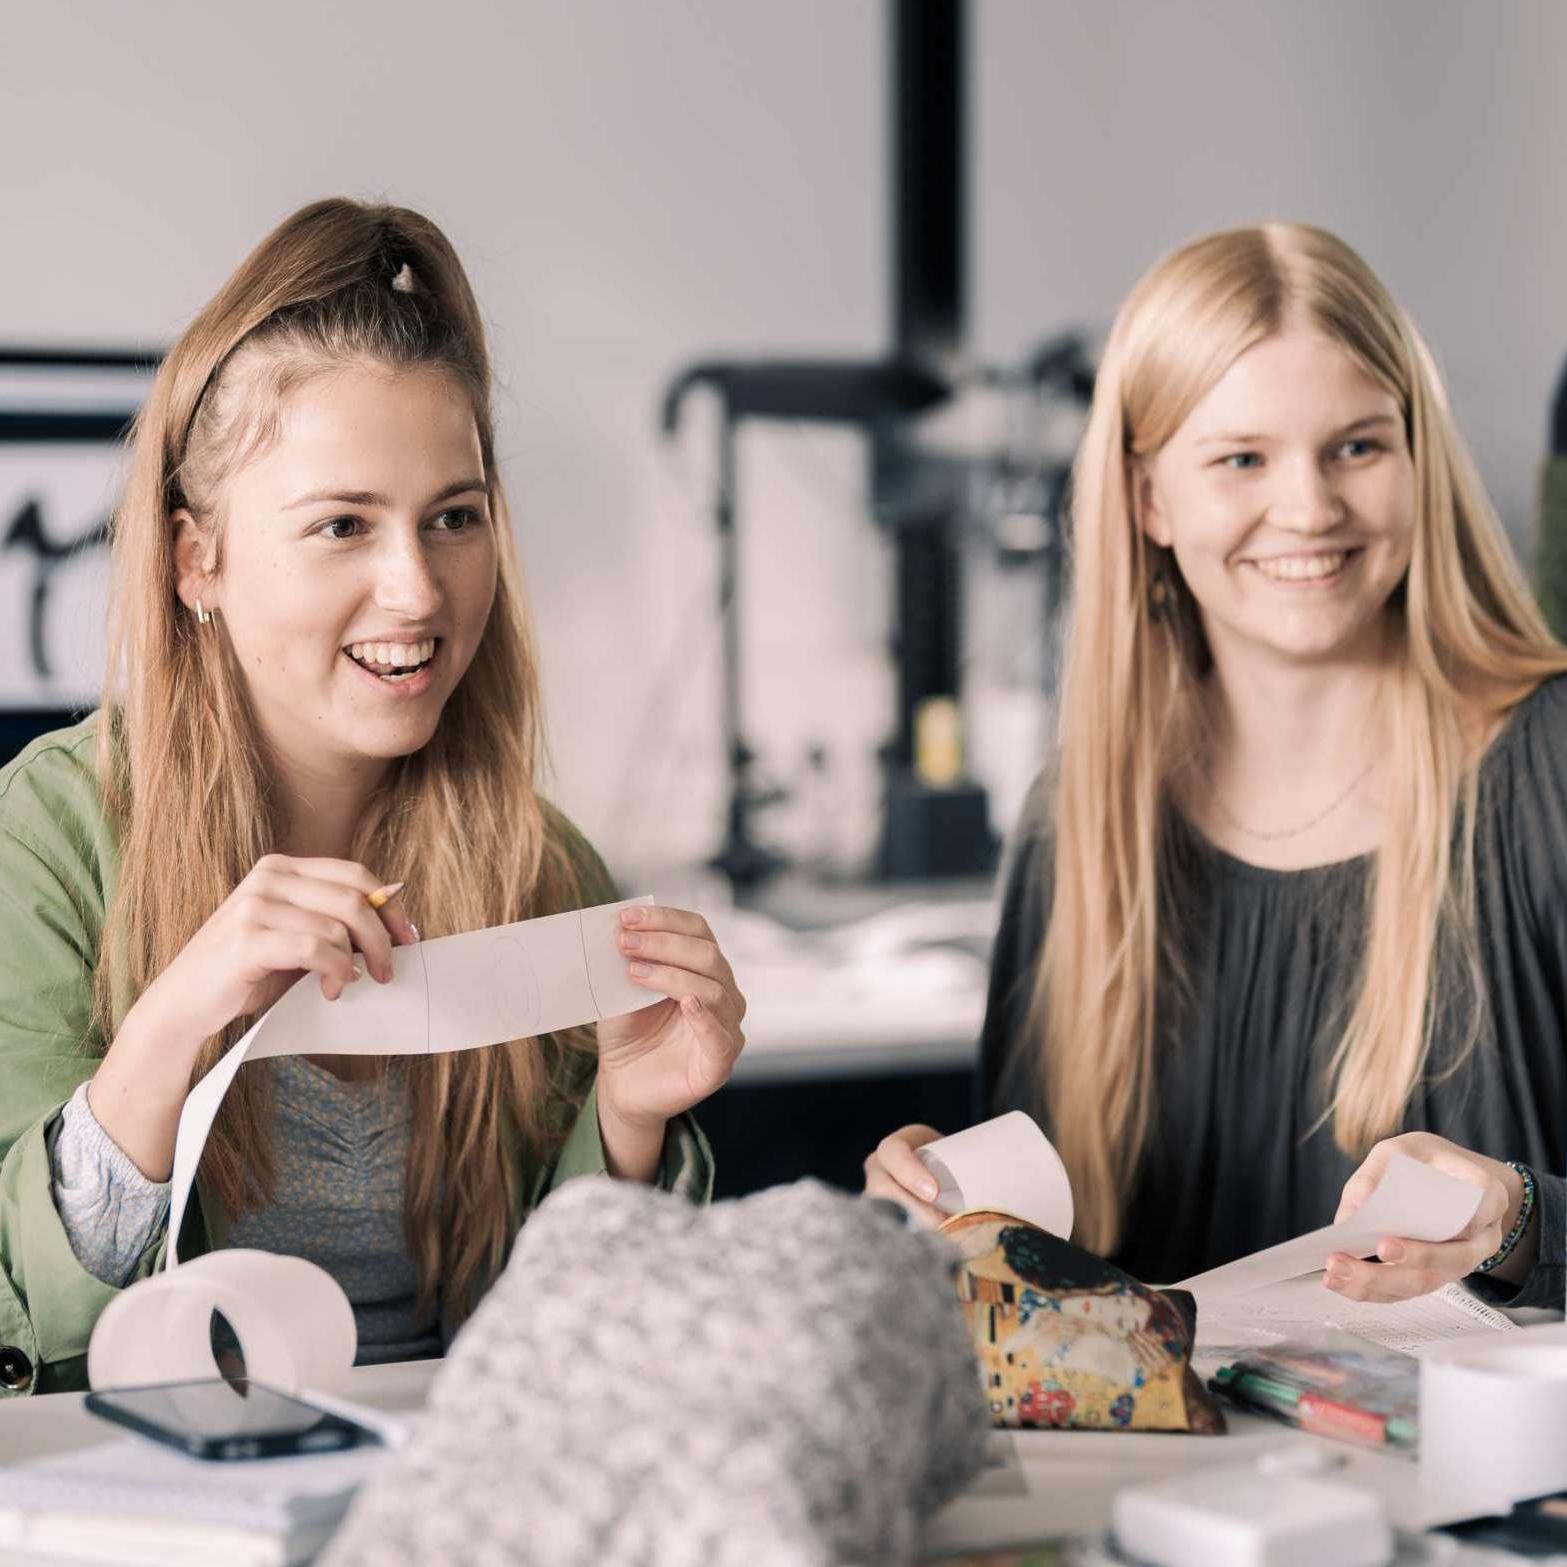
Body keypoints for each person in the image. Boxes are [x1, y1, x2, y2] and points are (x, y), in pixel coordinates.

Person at [0, 199, 748, 1397]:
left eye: (453, 519)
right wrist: (173, 1023)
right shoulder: (44, 842)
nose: (416, 590)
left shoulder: (544, 868)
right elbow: (20, 1317)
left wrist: (625, 1127)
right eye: (342, 524)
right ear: (199, 560)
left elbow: (574, 1363)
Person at [866, 222, 1565, 1312]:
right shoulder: (1080, 817)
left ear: (1418, 458)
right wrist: (945, 1214)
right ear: (1149, 500)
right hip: (1161, 1482)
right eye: (1241, 457)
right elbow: (1046, 1298)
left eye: (1358, 446)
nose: (1309, 508)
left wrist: (1525, 1219)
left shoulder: (1548, 768)